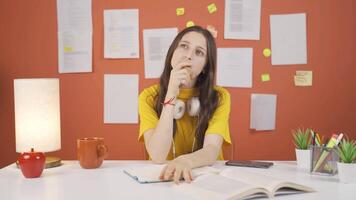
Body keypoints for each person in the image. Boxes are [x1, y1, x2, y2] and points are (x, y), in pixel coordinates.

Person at [138, 26, 231, 184]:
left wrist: (185, 161)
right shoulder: (148, 97)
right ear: (172, 52)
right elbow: (158, 155)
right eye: (184, 46)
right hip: (166, 179)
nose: (188, 56)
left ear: (205, 67)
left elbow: (212, 149)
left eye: (199, 52)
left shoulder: (220, 97)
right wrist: (171, 93)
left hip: (206, 177)